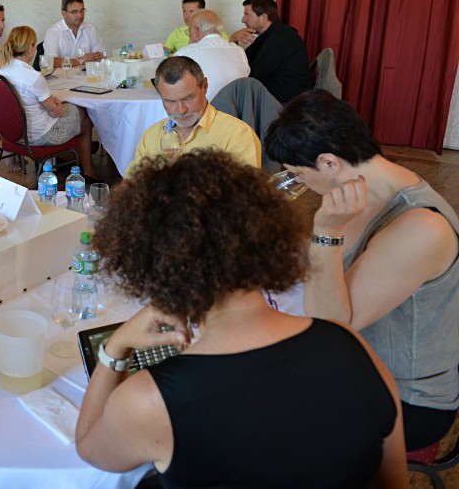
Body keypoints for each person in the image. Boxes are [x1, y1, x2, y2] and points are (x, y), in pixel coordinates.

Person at [75, 150, 405, 486]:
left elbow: (89, 448)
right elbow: (393, 480)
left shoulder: (150, 400)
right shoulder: (350, 345)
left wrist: (116, 347)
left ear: (153, 271)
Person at [265, 90, 459, 451]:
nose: (298, 184)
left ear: (328, 162)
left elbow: (332, 325)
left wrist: (326, 232)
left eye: (297, 174)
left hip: (404, 398)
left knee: (245, 414)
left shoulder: (420, 227)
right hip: (355, 368)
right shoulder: (361, 194)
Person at [127, 56, 260, 173]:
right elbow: (132, 187)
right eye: (170, 101)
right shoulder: (151, 135)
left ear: (205, 86)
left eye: (188, 98)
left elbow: (245, 196)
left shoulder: (237, 134)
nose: (181, 110)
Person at [0, 26, 97, 177]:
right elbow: (54, 111)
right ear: (30, 48)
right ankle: (87, 169)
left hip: (13, 133)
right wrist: (55, 103)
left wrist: (51, 103)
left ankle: (66, 157)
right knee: (84, 113)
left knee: (71, 110)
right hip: (39, 136)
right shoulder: (33, 77)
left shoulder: (0, 72)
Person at [229, 0, 311, 103]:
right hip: (275, 98)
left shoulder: (280, 39)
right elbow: (244, 61)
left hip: (287, 105)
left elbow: (251, 75)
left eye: (247, 15)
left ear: (263, 17)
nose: (243, 20)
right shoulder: (269, 35)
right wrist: (233, 40)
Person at [175, 9, 249, 100]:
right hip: (238, 110)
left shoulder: (184, 53)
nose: (189, 35)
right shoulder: (239, 51)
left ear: (196, 30)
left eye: (189, 31)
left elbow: (173, 87)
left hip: (205, 111)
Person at [43, 0, 105, 69]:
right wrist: (80, 60)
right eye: (74, 12)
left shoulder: (91, 29)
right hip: (62, 78)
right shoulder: (53, 32)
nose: (80, 15)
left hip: (86, 77)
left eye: (82, 11)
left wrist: (98, 56)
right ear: (63, 13)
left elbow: (102, 56)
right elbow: (51, 62)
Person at [162, 0, 228, 53]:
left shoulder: (217, 33)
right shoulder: (177, 33)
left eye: (191, 11)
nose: (187, 16)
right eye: (184, 11)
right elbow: (165, 53)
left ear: (202, 12)